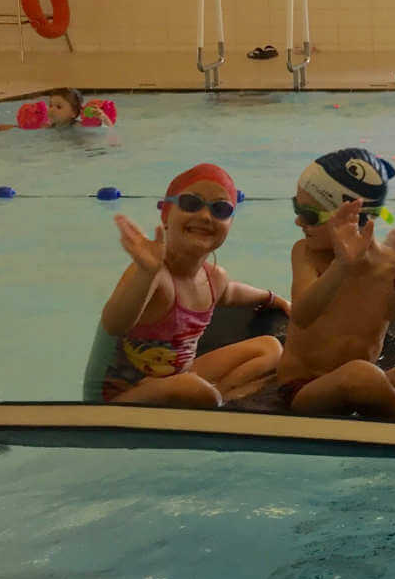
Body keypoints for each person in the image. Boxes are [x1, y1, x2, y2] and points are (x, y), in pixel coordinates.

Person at [86, 164, 288, 408]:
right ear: (165, 214)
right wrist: (146, 273)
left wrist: (274, 299)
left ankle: (219, 397)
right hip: (118, 399)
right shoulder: (154, 274)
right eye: (191, 203)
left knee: (269, 347)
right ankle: (215, 398)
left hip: (178, 377)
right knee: (192, 388)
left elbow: (233, 293)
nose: (205, 216)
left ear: (230, 223)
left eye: (220, 209)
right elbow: (114, 323)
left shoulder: (214, 278)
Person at [277, 149, 395, 417]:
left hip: (364, 380)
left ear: (354, 218)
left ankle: (392, 395)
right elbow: (302, 315)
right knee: (361, 375)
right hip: (303, 389)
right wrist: (341, 266)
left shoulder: (391, 265)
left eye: (309, 214)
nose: (298, 221)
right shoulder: (306, 253)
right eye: (297, 207)